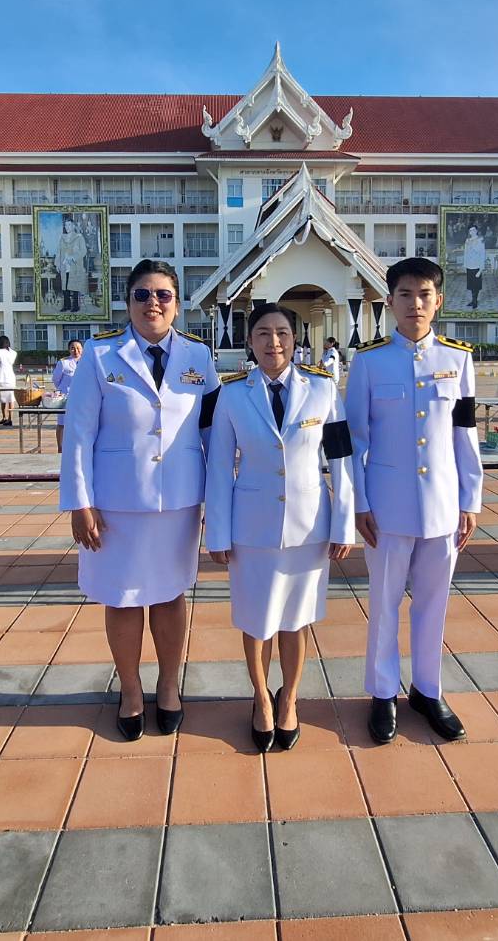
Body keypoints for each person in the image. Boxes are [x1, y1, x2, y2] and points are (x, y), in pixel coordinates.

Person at [60, 259, 219, 740]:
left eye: (163, 295)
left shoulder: (198, 356)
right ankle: (130, 691)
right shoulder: (100, 354)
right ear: (128, 302)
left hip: (179, 502)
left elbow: (213, 432)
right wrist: (79, 502)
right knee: (123, 599)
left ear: (177, 304)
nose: (153, 303)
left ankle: (168, 685)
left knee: (170, 596)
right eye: (142, 294)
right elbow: (78, 434)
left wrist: (220, 501)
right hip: (116, 505)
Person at [346, 256, 483, 744]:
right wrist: (359, 502)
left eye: (424, 295)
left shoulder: (458, 360)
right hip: (386, 508)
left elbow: (465, 433)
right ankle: (383, 692)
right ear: (390, 301)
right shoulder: (369, 361)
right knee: (384, 604)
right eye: (405, 294)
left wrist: (471, 499)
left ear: (438, 301)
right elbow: (355, 441)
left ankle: (428, 689)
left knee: (434, 603)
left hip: (443, 505)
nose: (415, 304)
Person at [206, 304, 354, 752]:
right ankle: (260, 698)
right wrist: (217, 532)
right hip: (251, 528)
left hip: (309, 526)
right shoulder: (233, 394)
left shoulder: (323, 389)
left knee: (296, 620)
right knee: (256, 620)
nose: (274, 342)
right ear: (250, 342)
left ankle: (288, 698)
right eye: (264, 334)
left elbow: (341, 460)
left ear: (295, 339)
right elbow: (219, 468)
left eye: (283, 333)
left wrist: (344, 523)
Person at [52, 339, 83, 451]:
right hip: (65, 398)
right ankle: (60, 448)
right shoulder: (63, 363)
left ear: (82, 349)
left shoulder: (87, 362)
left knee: (80, 423)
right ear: (69, 350)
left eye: (78, 348)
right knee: (62, 423)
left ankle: (78, 447)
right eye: (73, 348)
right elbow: (56, 380)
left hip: (81, 398)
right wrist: (63, 390)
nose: (76, 351)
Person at [56, 217, 90, 313]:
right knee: (65, 287)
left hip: (74, 266)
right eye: (66, 225)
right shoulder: (62, 238)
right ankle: (66, 306)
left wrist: (73, 257)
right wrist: (57, 264)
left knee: (75, 287)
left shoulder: (79, 237)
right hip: (64, 266)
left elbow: (83, 251)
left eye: (69, 225)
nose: (67, 227)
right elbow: (58, 251)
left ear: (73, 226)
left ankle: (75, 306)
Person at [0, 335, 18, 427]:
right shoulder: (13, 353)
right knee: (11, 399)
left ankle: (5, 417)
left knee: (3, 399)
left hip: (1, 377)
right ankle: (10, 418)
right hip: (11, 378)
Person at [462, 225, 487, 309]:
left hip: (477, 266)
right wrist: (465, 265)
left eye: (473, 230)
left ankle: (475, 301)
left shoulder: (480, 240)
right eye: (470, 230)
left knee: (476, 285)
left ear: (476, 231)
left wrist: (481, 269)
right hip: (469, 266)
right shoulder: (467, 240)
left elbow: (482, 254)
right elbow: (465, 253)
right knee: (471, 285)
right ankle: (473, 300)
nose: (472, 232)